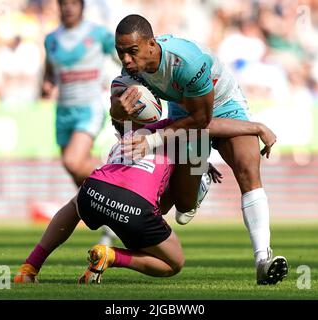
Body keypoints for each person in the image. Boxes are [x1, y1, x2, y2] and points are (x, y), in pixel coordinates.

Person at [110, 14, 288, 285]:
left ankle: (263, 259)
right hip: (184, 114)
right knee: (181, 208)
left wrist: (152, 140)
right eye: (120, 52)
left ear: (151, 44)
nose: (126, 60)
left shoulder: (187, 63)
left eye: (132, 51)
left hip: (223, 106)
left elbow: (202, 122)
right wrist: (118, 111)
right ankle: (199, 176)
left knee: (247, 165)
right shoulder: (131, 75)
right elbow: (123, 127)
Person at [14, 113, 278, 284]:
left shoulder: (125, 138)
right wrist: (257, 127)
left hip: (95, 188)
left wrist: (198, 162)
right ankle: (111, 256)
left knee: (74, 204)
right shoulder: (168, 128)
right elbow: (209, 126)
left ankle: (30, 267)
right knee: (173, 263)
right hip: (135, 208)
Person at [42, 0, 119, 245]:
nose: (68, 7)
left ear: (82, 6)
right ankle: (110, 214)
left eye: (74, 3)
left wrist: (134, 78)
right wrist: (46, 83)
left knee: (73, 161)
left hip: (89, 107)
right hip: (63, 110)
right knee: (76, 173)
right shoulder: (51, 39)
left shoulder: (97, 34)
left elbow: (122, 58)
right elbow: (48, 69)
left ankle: (118, 186)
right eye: (64, 3)